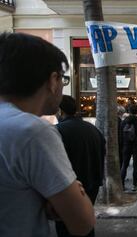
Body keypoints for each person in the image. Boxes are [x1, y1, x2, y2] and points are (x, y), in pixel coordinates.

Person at [0, 32, 95, 236]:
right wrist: (72, 191)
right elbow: (83, 222)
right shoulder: (32, 131)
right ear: (53, 81)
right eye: (64, 79)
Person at [55, 95, 106, 237]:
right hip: (93, 184)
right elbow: (102, 153)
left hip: (71, 187)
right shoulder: (93, 130)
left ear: (60, 111)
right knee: (86, 223)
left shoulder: (58, 131)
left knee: (67, 227)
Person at [120, 104, 137, 191]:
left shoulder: (124, 121)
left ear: (128, 111)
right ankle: (134, 185)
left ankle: (122, 185)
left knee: (124, 165)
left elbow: (120, 135)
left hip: (126, 146)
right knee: (135, 166)